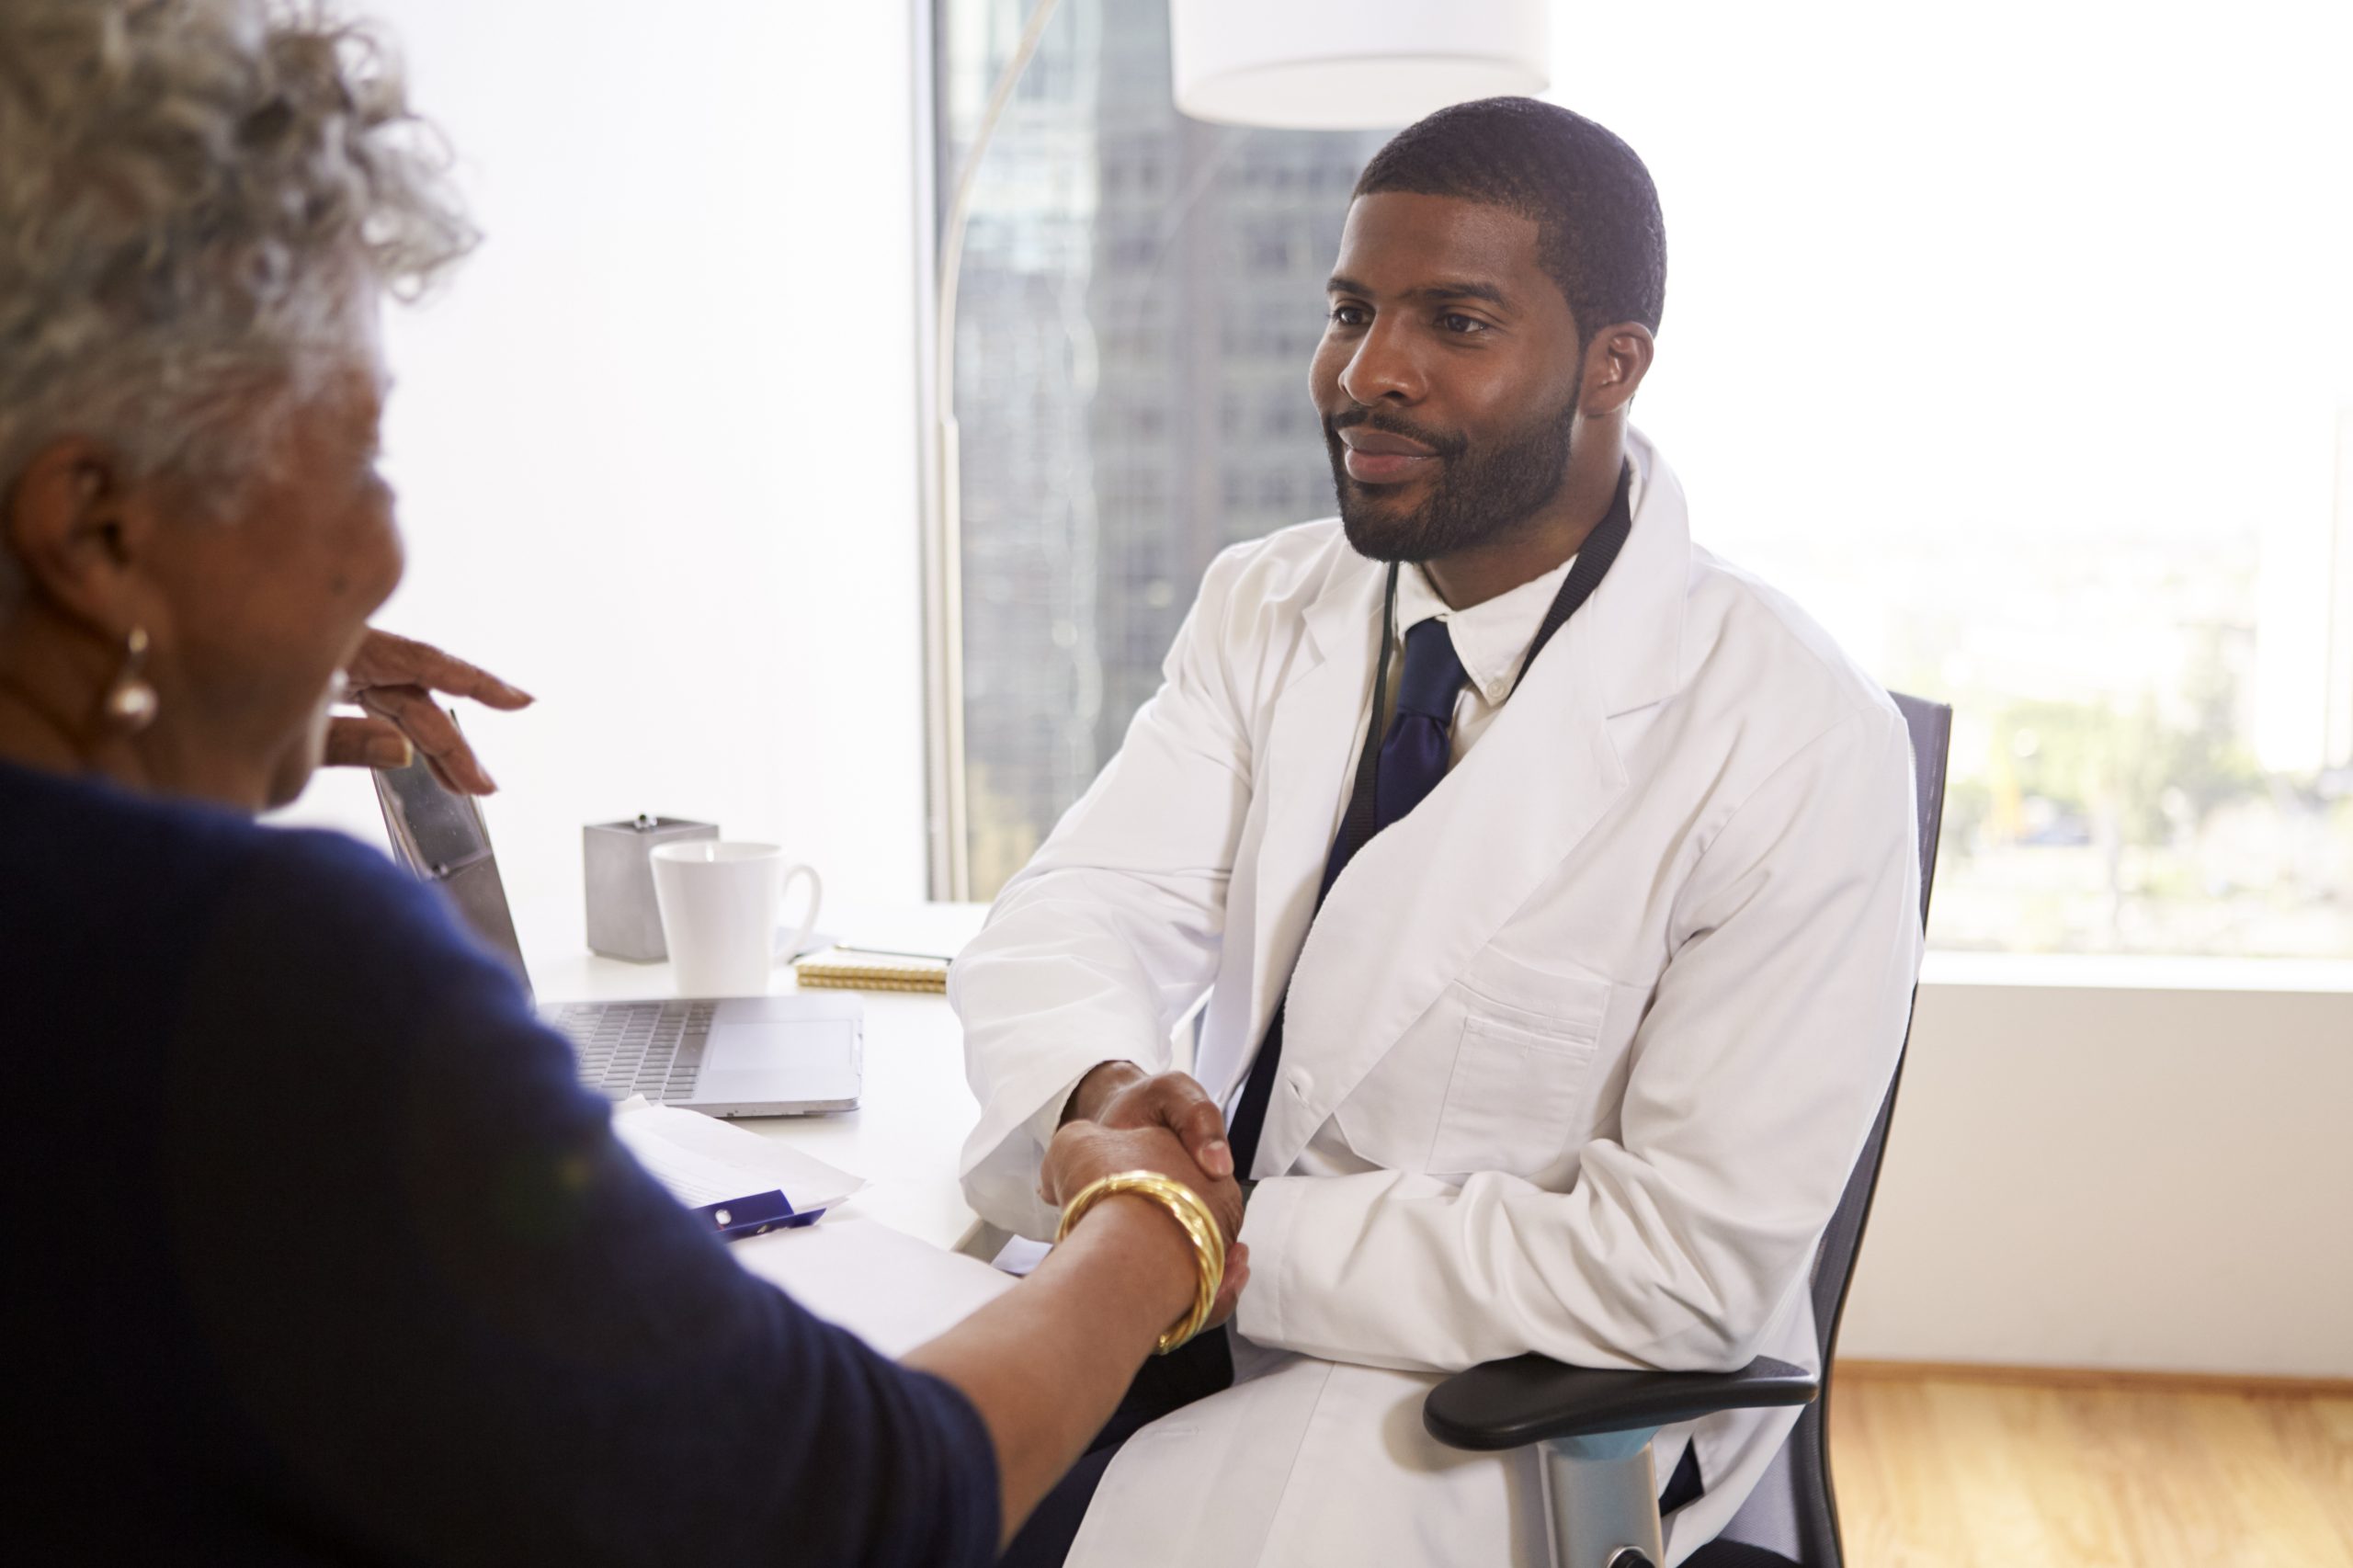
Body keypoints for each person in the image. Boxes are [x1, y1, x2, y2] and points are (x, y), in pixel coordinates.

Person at [0, 4, 1247, 1563]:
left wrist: (152, 686)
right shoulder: (270, 981)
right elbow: (865, 1505)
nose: (385, 553)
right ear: (98, 530)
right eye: (362, 459)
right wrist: (1150, 1229)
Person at [956, 97, 1925, 1566]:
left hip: (1482, 1396)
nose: (1369, 372)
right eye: (1351, 309)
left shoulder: (1791, 735)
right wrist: (1111, 1092)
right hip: (1166, 1284)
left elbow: (1680, 1270)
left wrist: (1216, 1239)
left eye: (1455, 322)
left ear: (1616, 363)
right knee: (808, 1466)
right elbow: (1067, 914)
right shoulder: (1266, 603)